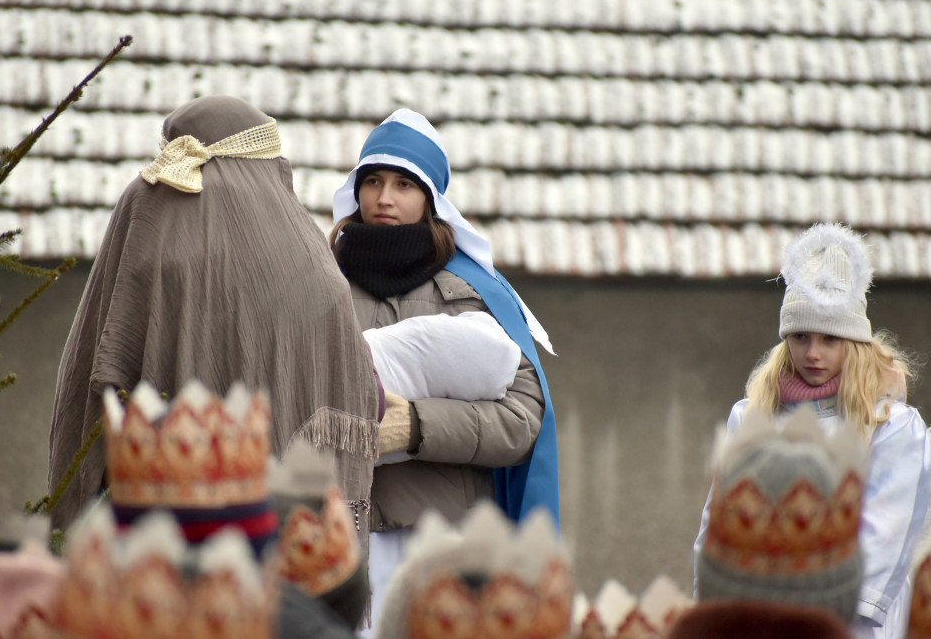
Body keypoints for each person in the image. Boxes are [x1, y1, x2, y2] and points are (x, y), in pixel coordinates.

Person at [47, 96, 379, 542]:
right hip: (288, 533)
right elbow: (353, 390)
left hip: (158, 526)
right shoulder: (309, 259)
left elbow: (97, 367)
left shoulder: (148, 204)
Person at [329, 108, 559, 632]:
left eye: (404, 184)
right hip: (335, 542)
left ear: (430, 198)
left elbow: (523, 422)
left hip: (445, 548)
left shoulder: (475, 298)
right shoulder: (320, 289)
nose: (384, 198)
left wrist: (416, 427)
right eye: (373, 181)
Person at [694, 223, 931, 639]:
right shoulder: (751, 417)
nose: (813, 353)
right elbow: (719, 521)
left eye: (829, 338)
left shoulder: (891, 426)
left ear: (854, 342)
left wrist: (818, 615)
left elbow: (885, 533)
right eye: (800, 336)